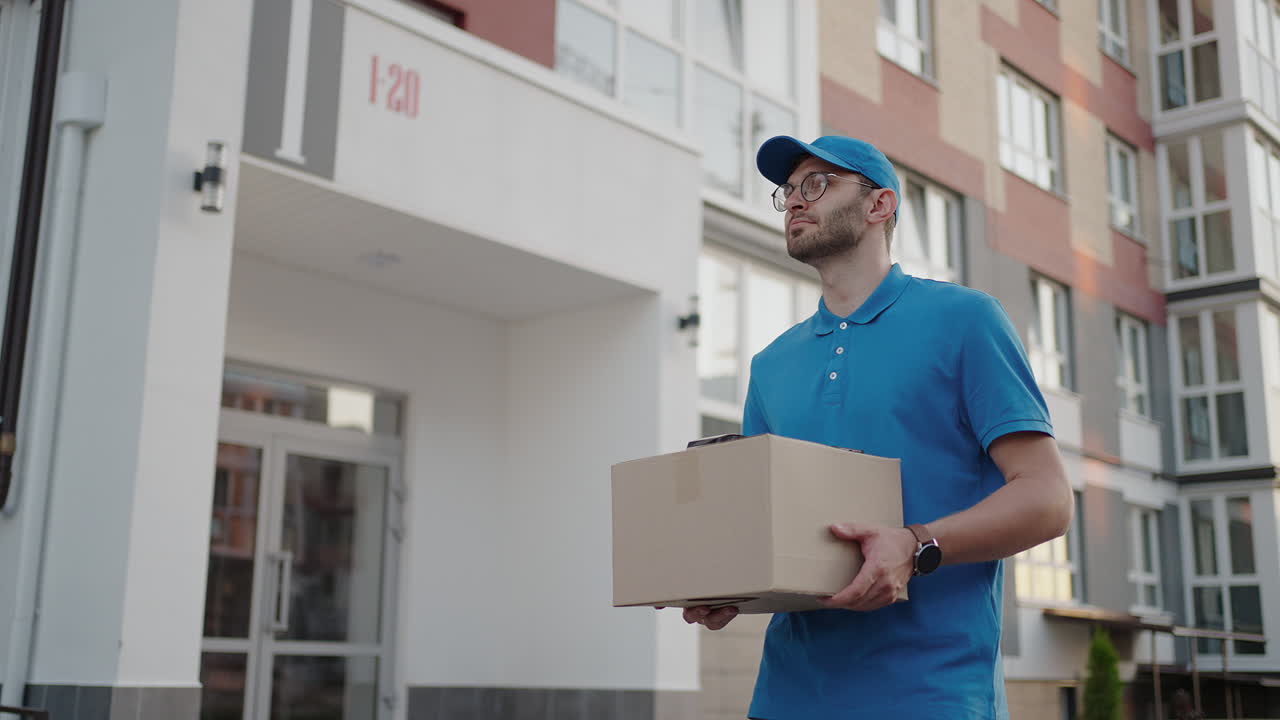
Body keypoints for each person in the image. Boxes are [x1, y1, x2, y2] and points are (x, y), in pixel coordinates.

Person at [680, 135, 1075, 719]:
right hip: (787, 699)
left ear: (879, 205)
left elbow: (1048, 499)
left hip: (931, 695)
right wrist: (728, 584)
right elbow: (773, 530)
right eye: (786, 191)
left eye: (815, 184)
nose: (793, 201)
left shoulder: (965, 320)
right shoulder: (771, 365)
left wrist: (916, 547)